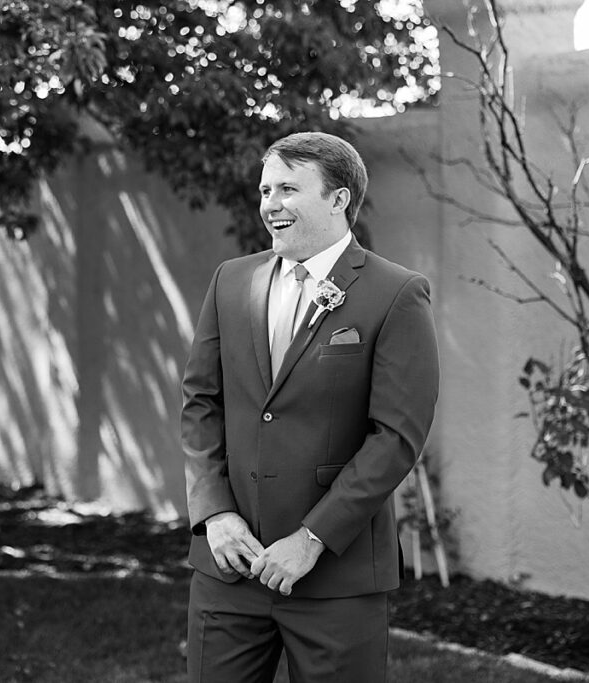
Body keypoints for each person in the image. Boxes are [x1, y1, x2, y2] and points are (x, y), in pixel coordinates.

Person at [180, 131, 440, 682]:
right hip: (229, 566)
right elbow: (201, 401)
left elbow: (395, 437)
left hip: (336, 579)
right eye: (265, 190)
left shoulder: (396, 293)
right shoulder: (231, 281)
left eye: (288, 190)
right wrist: (214, 513)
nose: (270, 204)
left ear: (338, 199)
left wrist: (310, 540)